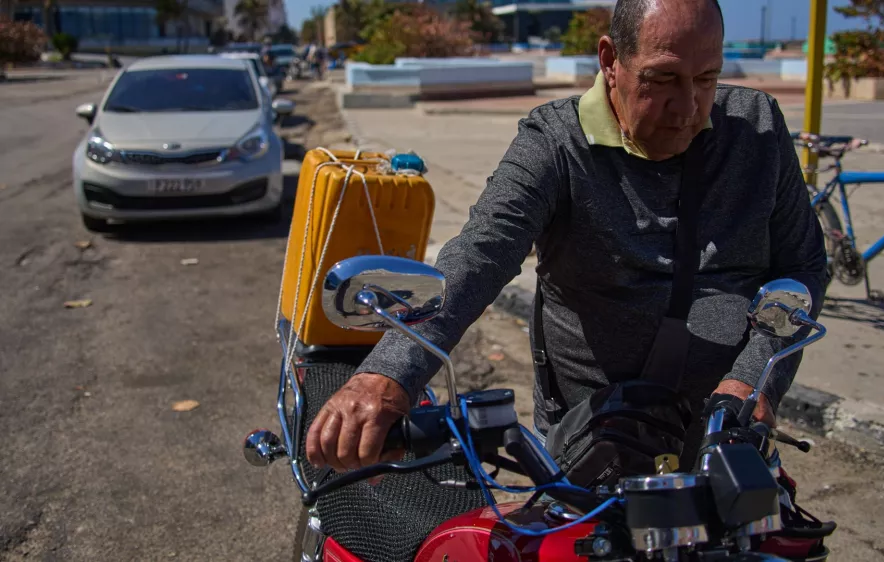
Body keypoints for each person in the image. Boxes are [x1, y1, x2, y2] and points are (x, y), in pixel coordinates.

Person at [305, 0, 828, 474]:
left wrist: (755, 378)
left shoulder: (758, 127)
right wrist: (389, 373)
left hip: (728, 438)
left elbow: (803, 265)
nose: (688, 107)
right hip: (594, 443)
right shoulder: (555, 142)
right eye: (662, 79)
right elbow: (481, 253)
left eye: (707, 78)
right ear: (610, 61)